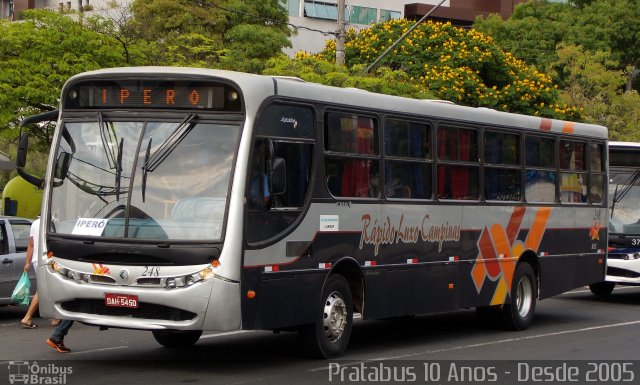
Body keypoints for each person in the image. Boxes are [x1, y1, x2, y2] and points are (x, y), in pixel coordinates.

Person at [20, 217, 40, 329]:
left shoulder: (35, 223)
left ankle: (55, 318)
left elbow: (31, 244)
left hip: (36, 260)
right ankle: (27, 317)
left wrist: (27, 262)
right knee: (42, 289)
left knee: (46, 288)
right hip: (47, 258)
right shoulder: (52, 221)